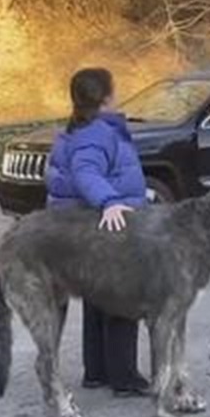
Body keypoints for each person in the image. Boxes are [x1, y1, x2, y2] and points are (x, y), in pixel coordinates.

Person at [44, 67, 150, 397]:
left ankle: (98, 371)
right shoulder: (97, 132)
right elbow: (85, 172)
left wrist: (136, 194)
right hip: (102, 228)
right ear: (106, 96)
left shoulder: (77, 129)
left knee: (96, 299)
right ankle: (124, 378)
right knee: (122, 300)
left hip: (80, 229)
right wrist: (111, 201)